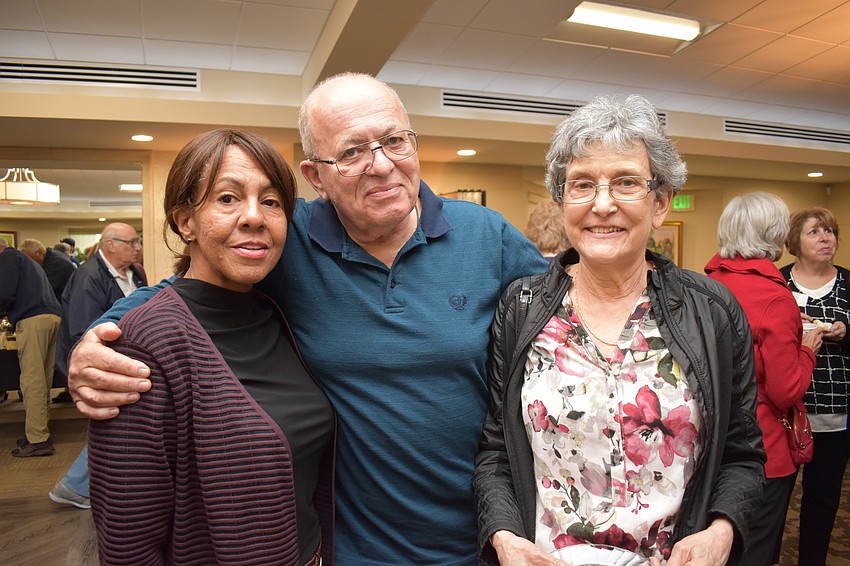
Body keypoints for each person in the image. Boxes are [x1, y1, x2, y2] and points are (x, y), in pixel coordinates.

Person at [68, 73, 547, 565]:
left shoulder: (486, 234)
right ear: (316, 177)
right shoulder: (283, 236)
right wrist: (100, 339)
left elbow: (568, 310)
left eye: (394, 141)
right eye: (352, 152)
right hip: (349, 545)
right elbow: (190, 290)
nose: (381, 165)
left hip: (488, 535)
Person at [473, 95, 765, 566]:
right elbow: (496, 452)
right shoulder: (520, 308)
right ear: (562, 202)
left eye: (626, 182)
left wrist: (722, 529)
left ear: (661, 203)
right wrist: (505, 538)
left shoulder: (711, 310)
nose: (602, 204)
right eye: (582, 185)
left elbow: (742, 452)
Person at [87, 129, 335, 565]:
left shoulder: (276, 315)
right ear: (186, 222)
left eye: (272, 201)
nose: (254, 217)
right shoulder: (145, 344)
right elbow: (128, 544)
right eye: (227, 198)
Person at [704, 193, 821, 566]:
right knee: (756, 551)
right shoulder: (775, 298)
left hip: (708, 446)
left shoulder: (702, 286)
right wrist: (808, 349)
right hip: (762, 451)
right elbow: (786, 390)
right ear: (775, 235)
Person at [48, 222, 148, 509]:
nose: (137, 247)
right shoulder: (89, 276)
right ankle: (76, 486)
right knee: (118, 417)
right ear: (110, 244)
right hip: (99, 359)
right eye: (131, 243)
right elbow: (83, 331)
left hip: (124, 357)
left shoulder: (135, 274)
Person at [779, 207, 850, 566]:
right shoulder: (778, 284)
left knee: (822, 501)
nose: (826, 239)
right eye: (815, 232)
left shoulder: (849, 284)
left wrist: (845, 330)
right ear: (795, 242)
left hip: (836, 414)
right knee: (775, 500)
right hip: (787, 410)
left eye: (830, 232)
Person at [0, 237, 63, 457]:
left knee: (32, 381)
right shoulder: (24, 260)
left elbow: (4, 294)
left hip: (33, 320)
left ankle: (38, 439)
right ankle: (37, 431)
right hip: (51, 317)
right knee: (42, 379)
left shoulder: (7, 257)